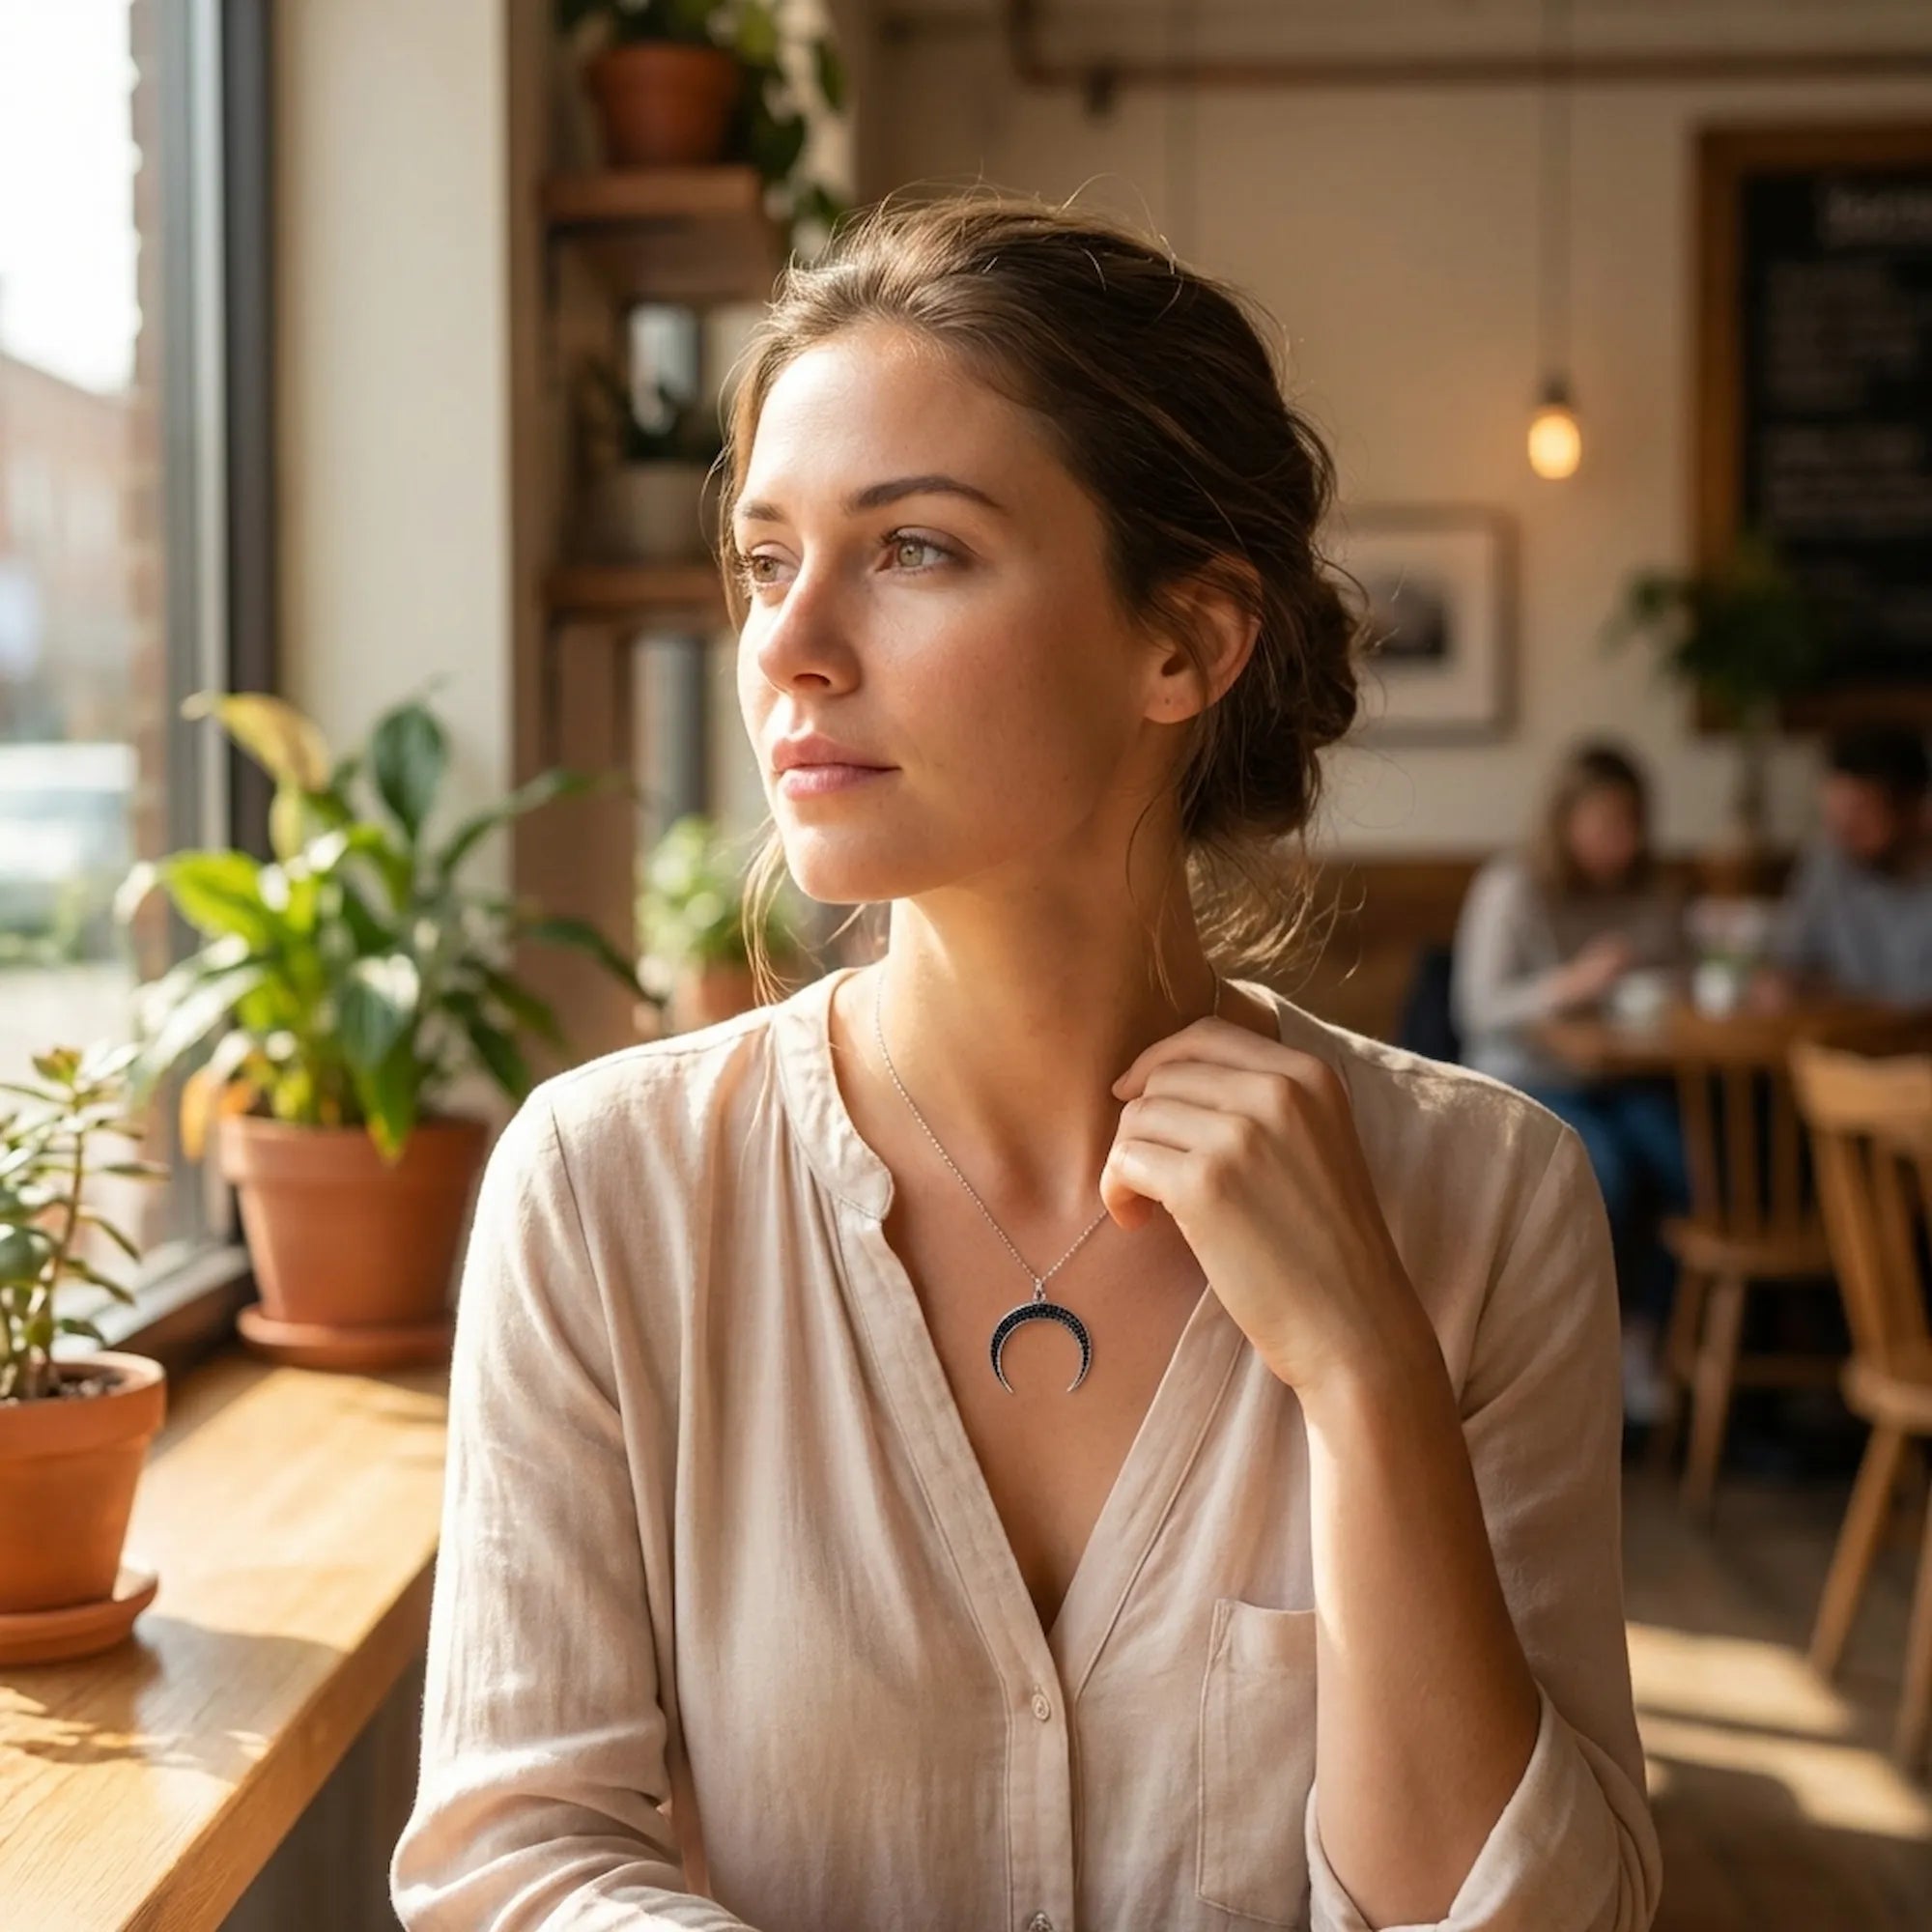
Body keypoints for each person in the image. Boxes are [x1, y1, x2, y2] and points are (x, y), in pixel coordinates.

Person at [392, 194, 1660, 1932]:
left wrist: (1371, 1379)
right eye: (770, 559)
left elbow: (1532, 1913)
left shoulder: (1484, 1198)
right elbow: (514, 1863)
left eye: (913, 548)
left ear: (1186, 642)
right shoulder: (610, 1188)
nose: (789, 644)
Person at [1450, 742, 1690, 1424]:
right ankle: (1587, 1355)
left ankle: (1644, 1338)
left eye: (1631, 825)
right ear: (1566, 822)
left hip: (1628, 1075)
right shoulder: (1513, 887)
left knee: (1696, 1171)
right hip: (1527, 1077)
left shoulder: (1652, 890)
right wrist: (1573, 984)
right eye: (1605, 825)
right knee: (1602, 1177)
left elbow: (1681, 975)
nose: (1620, 843)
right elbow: (1479, 1008)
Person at [1749, 724, 1932, 1013]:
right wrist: (1781, 983)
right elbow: (1786, 961)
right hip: (1838, 1048)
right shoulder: (1828, 863)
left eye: (1860, 815)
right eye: (1834, 815)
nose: (1843, 832)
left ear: (1915, 809)